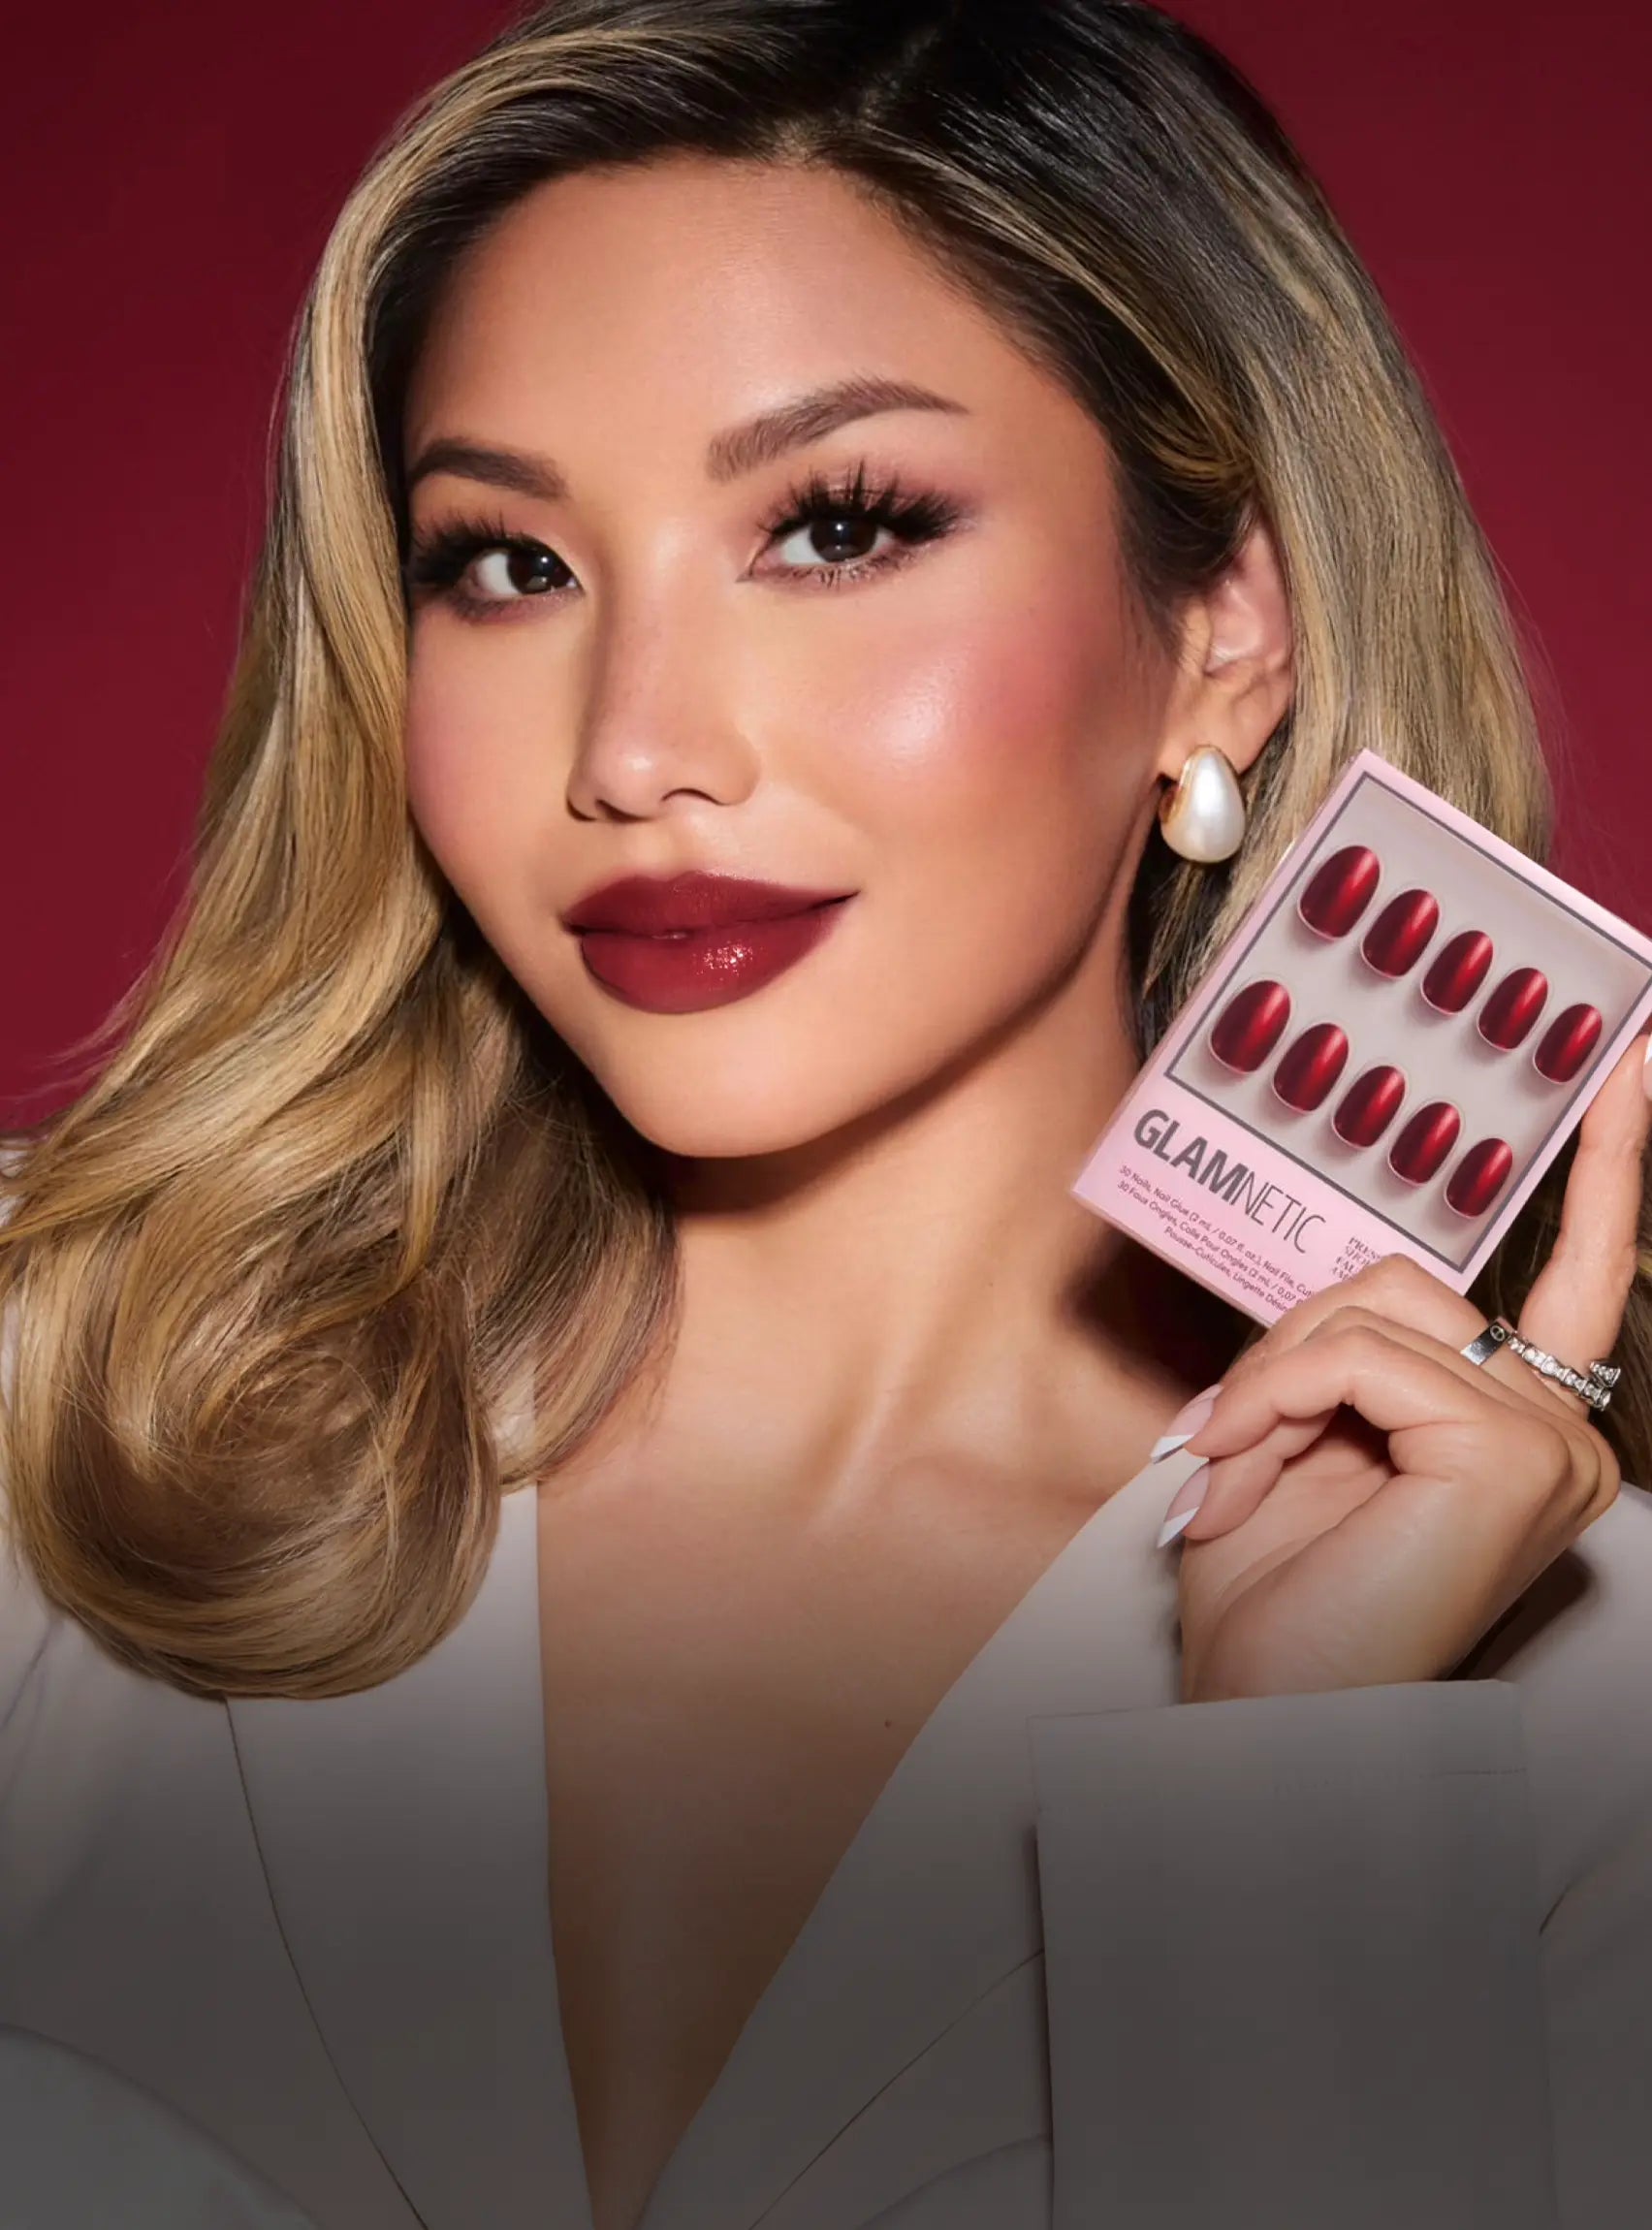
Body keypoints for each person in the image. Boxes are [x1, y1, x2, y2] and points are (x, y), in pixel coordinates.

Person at [3, 2, 1651, 2225]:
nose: (637, 748)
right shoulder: (65, 1400)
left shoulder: (1574, 1694)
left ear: (1224, 627)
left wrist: (1302, 1791)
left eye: (839, 525)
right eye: (509, 562)